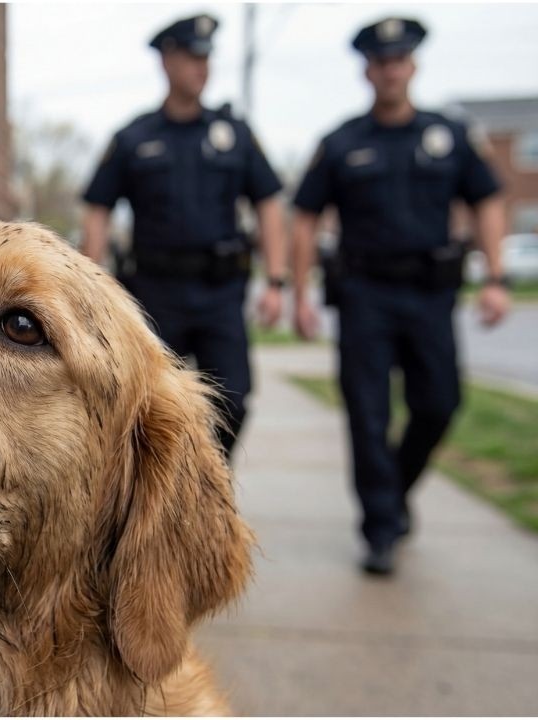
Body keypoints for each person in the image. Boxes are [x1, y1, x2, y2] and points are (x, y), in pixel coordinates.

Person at [291, 17, 510, 576]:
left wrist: (495, 276)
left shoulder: (448, 136)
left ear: (412, 66)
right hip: (364, 295)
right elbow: (305, 216)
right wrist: (300, 293)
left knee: (440, 404)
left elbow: (487, 200)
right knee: (367, 414)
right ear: (367, 70)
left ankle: (393, 488)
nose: (390, 69)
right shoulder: (342, 143)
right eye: (380, 61)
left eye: (399, 59)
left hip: (430, 294)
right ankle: (380, 528)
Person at [81, 13, 288, 458]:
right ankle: (169, 496)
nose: (202, 66)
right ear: (167, 61)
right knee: (150, 404)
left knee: (232, 397)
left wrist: (275, 281)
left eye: (206, 57)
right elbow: (98, 207)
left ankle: (205, 485)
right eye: (192, 56)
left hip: (220, 292)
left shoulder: (233, 135)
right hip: (155, 294)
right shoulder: (134, 138)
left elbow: (268, 202)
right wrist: (91, 283)